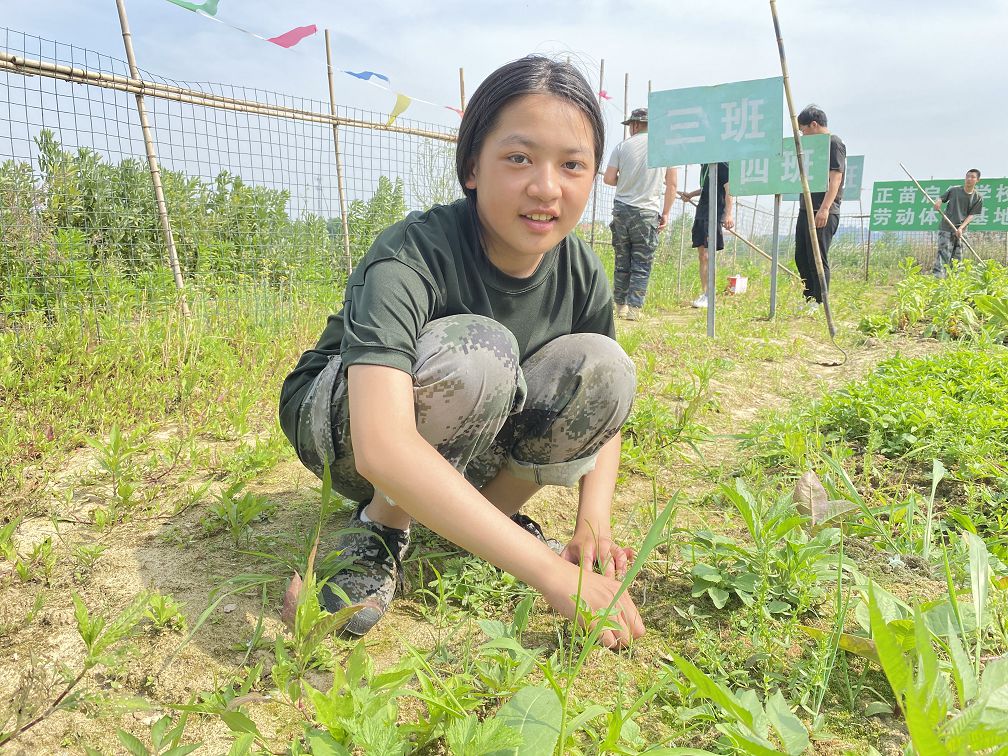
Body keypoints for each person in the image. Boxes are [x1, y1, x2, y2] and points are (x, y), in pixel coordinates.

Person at [278, 56, 644, 649]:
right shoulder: (413, 253)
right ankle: (381, 527)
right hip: (343, 427)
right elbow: (381, 445)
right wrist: (550, 574)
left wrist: (592, 521)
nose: (546, 187)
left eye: (572, 164)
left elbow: (602, 417)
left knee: (605, 368)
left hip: (468, 429)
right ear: (472, 167)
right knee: (479, 354)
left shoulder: (581, 271)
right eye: (519, 158)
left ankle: (479, 522)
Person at [602, 107, 678, 321]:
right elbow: (671, 184)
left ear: (634, 125)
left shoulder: (622, 147)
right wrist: (666, 213)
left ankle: (620, 306)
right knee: (642, 262)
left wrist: (625, 180)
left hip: (622, 210)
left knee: (622, 259)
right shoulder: (664, 149)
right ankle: (635, 309)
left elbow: (608, 179)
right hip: (647, 211)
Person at [794, 104, 846, 310]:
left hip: (824, 210)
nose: (803, 135)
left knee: (818, 256)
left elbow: (836, 177)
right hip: (806, 208)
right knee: (801, 256)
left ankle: (820, 301)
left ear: (814, 125)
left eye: (803, 130)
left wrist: (825, 208)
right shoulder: (813, 148)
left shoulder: (833, 143)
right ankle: (808, 299)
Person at [679, 163, 733, 308]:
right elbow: (707, 188)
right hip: (701, 212)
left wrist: (728, 214)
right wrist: (691, 195)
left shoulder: (721, 164)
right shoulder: (704, 166)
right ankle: (705, 294)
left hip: (714, 213)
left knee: (709, 255)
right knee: (702, 255)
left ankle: (710, 295)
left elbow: (729, 189)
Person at [932, 169, 983, 278]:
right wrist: (938, 202)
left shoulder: (977, 197)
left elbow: (971, 215)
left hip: (961, 232)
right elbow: (942, 198)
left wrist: (961, 228)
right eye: (967, 176)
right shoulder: (954, 190)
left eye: (972, 177)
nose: (969, 179)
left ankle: (954, 282)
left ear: (977, 180)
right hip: (946, 228)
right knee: (943, 255)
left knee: (957, 259)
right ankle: (938, 280)